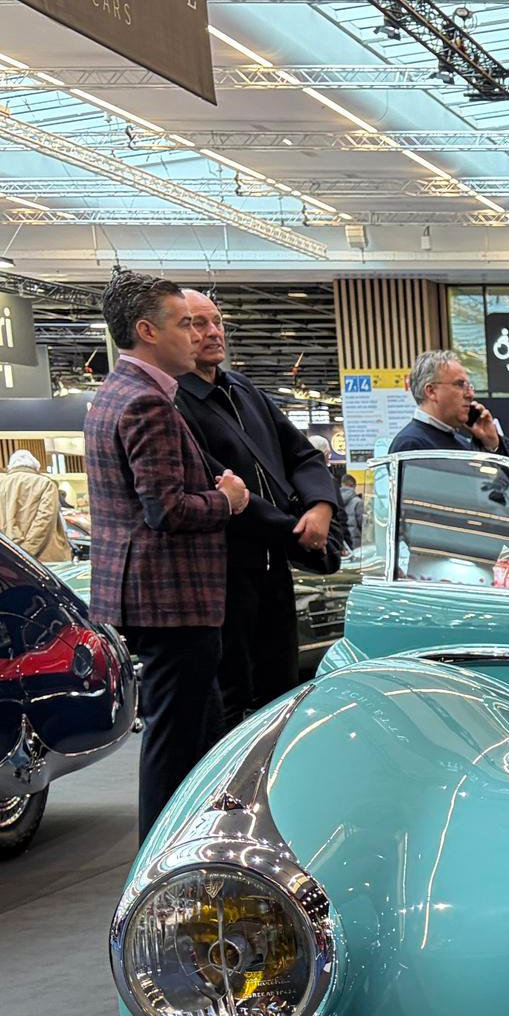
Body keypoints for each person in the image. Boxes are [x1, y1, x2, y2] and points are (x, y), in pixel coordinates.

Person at [84, 269, 249, 837]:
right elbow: (167, 509)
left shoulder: (119, 394)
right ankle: (158, 859)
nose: (197, 336)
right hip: (171, 598)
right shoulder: (145, 403)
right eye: (185, 324)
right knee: (175, 740)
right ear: (147, 331)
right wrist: (226, 500)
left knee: (200, 732)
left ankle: (198, 845)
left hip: (157, 597)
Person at [172, 289, 343, 723]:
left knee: (282, 692)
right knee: (231, 699)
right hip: (223, 574)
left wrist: (321, 506)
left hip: (274, 569)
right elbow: (223, 491)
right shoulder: (175, 404)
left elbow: (303, 455)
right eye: (197, 323)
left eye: (217, 321)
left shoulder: (244, 389)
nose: (213, 332)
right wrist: (296, 532)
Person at [386, 350, 501, 456]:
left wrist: (492, 444)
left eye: (470, 387)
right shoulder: (410, 445)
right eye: (460, 385)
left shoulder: (462, 443)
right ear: (431, 391)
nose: (470, 394)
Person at [0, 448, 67, 563]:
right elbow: (44, 520)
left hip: (8, 558)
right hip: (43, 557)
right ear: (35, 466)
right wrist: (26, 551)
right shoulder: (45, 484)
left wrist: (9, 549)